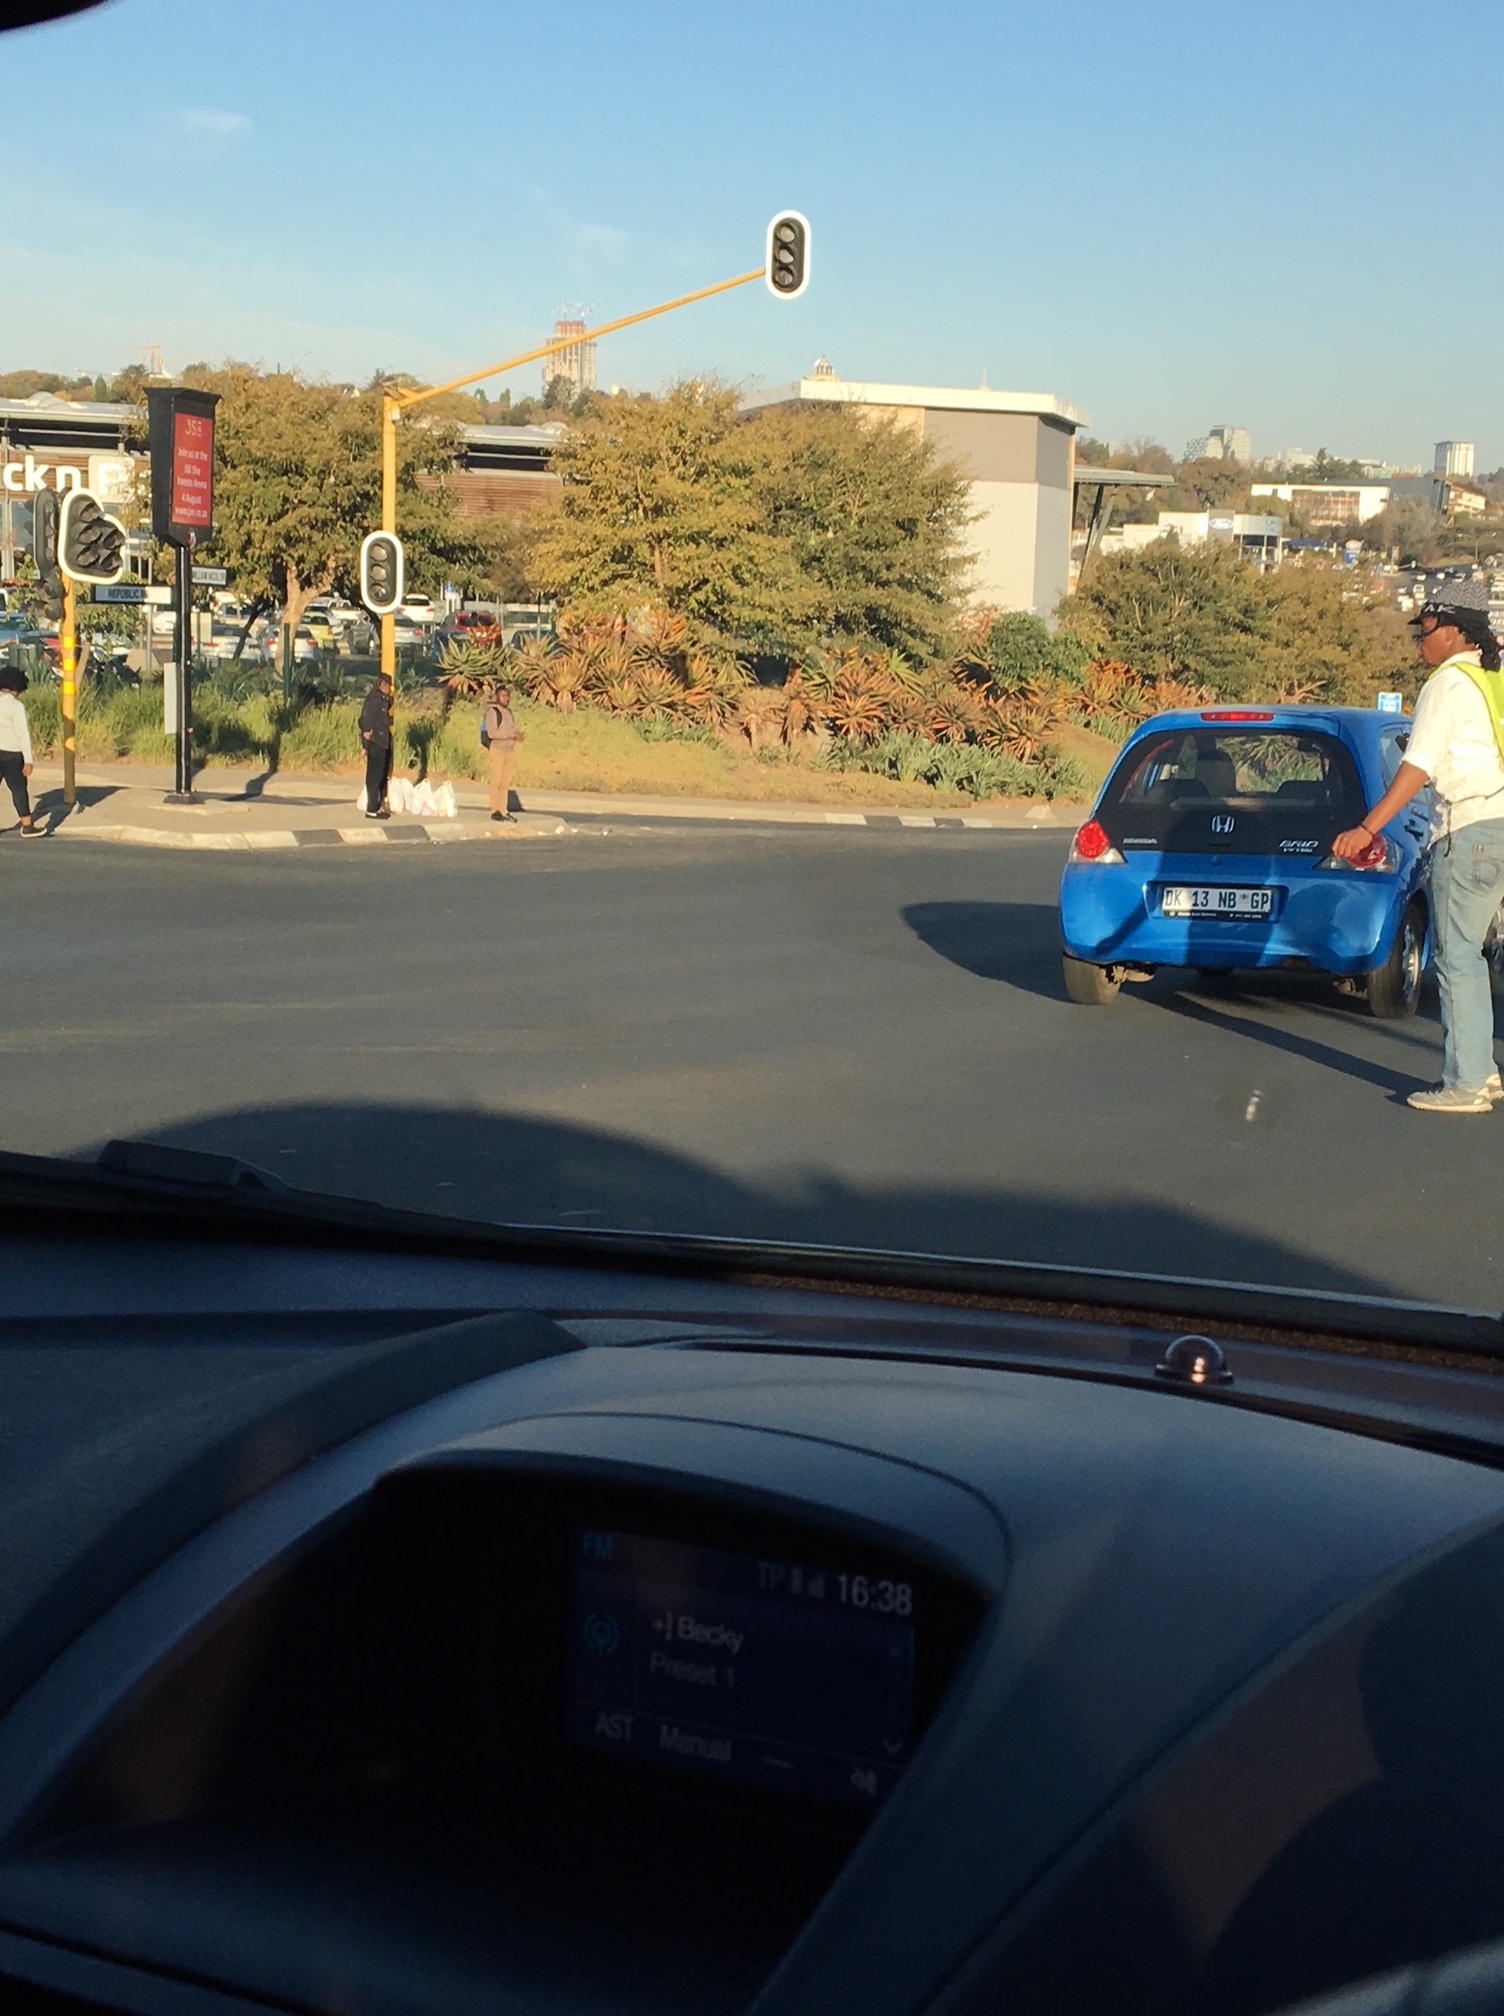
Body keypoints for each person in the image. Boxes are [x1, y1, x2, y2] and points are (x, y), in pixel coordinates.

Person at [1332, 578, 1504, 1113]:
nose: (1419, 640)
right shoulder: (1491, 681)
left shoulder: (1447, 685)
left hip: (1467, 826)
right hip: (1498, 823)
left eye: (1425, 629)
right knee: (1470, 953)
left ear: (1454, 630)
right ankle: (1482, 1069)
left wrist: (1367, 828)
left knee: (1456, 957)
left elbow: (1417, 768)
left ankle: (1466, 1083)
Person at [0, 664, 42, 838]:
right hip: (13, 754)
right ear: (16, 687)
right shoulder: (16, 706)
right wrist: (29, 760)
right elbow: (23, 734)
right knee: (18, 790)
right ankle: (27, 825)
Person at [483, 683, 525, 823]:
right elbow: (492, 733)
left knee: (505, 782)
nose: (505, 698)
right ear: (497, 697)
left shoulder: (509, 712)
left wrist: (517, 735)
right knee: (496, 780)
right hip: (497, 750)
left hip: (509, 750)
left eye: (507, 696)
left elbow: (512, 729)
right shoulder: (493, 712)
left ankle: (503, 809)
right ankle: (494, 809)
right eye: (502, 696)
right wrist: (511, 735)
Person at [359, 673, 393, 820]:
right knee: (374, 776)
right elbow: (365, 721)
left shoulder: (383, 700)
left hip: (382, 742)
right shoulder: (374, 699)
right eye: (389, 687)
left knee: (380, 776)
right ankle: (372, 809)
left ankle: (377, 806)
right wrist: (365, 744)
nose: (390, 690)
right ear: (383, 685)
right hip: (376, 742)